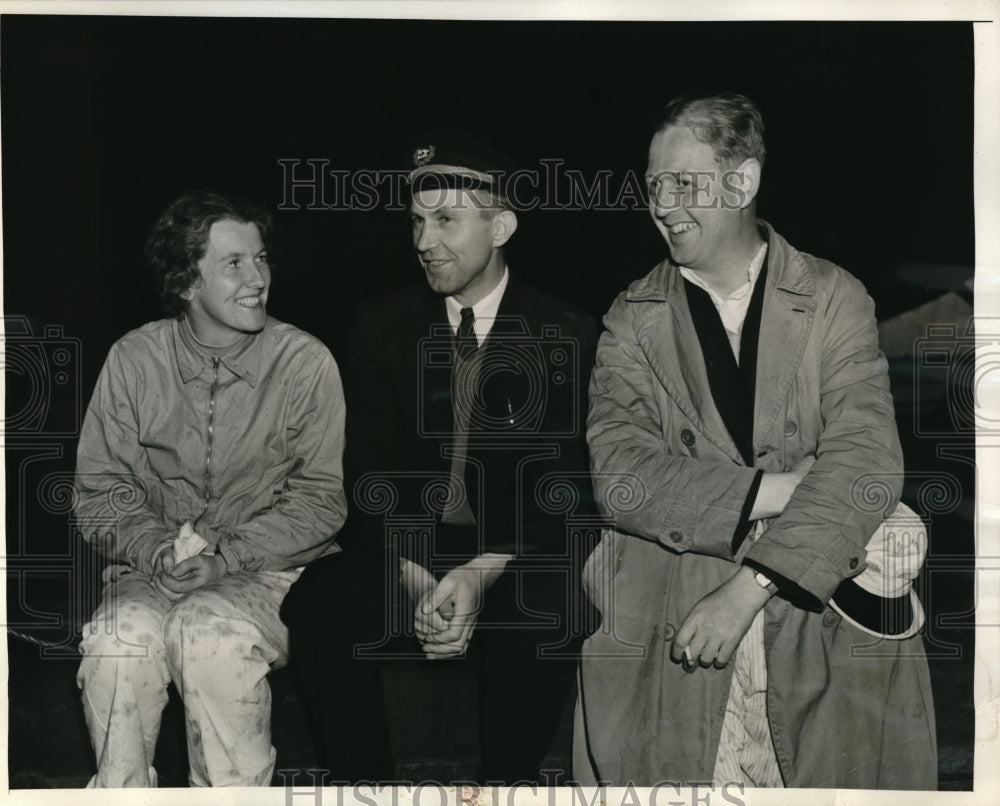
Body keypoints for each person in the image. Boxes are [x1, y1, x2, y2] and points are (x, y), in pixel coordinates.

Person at [574, 93, 937, 789]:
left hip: (818, 612)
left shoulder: (833, 297)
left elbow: (865, 462)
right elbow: (621, 477)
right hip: (672, 619)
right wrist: (782, 490)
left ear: (741, 183)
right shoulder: (632, 317)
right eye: (653, 185)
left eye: (685, 183)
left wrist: (749, 588)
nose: (663, 203)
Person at [280, 130, 598, 784]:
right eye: (418, 222)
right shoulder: (383, 323)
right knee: (319, 603)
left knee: (548, 605)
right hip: (409, 549)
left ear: (501, 224)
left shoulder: (565, 331)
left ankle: (503, 791)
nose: (424, 242)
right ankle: (364, 790)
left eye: (447, 220)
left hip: (513, 554)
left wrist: (481, 572)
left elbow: (565, 487)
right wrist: (417, 573)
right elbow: (366, 471)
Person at [74, 189, 348, 787]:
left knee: (209, 638)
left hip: (268, 575)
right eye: (235, 263)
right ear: (184, 282)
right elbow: (99, 493)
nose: (258, 278)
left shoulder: (303, 362)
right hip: (154, 572)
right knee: (117, 644)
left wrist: (227, 559)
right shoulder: (134, 360)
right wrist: (154, 548)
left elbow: (320, 500)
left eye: (262, 258)